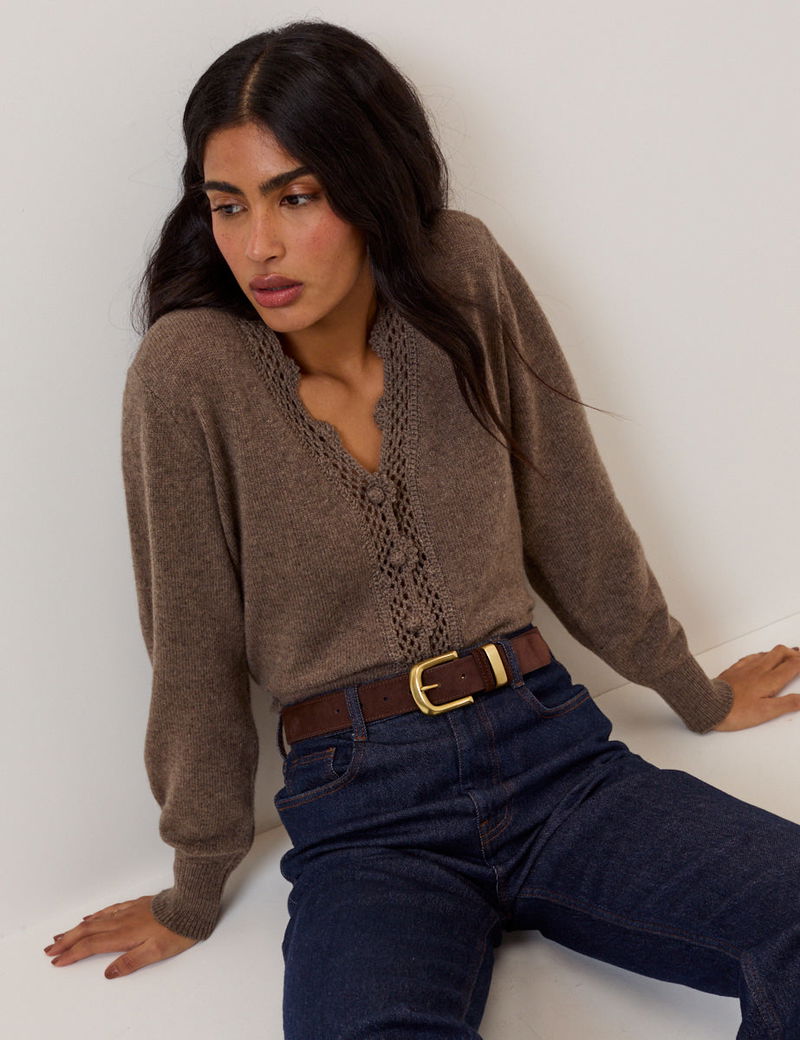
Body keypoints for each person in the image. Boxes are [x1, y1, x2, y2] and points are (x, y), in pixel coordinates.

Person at [44, 19, 800, 1038]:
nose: (257, 245)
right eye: (228, 205)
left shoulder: (463, 271)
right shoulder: (188, 373)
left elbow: (570, 509)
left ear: (371, 186)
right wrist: (194, 882)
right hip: (366, 818)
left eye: (296, 197)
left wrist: (690, 689)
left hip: (554, 755)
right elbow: (191, 646)